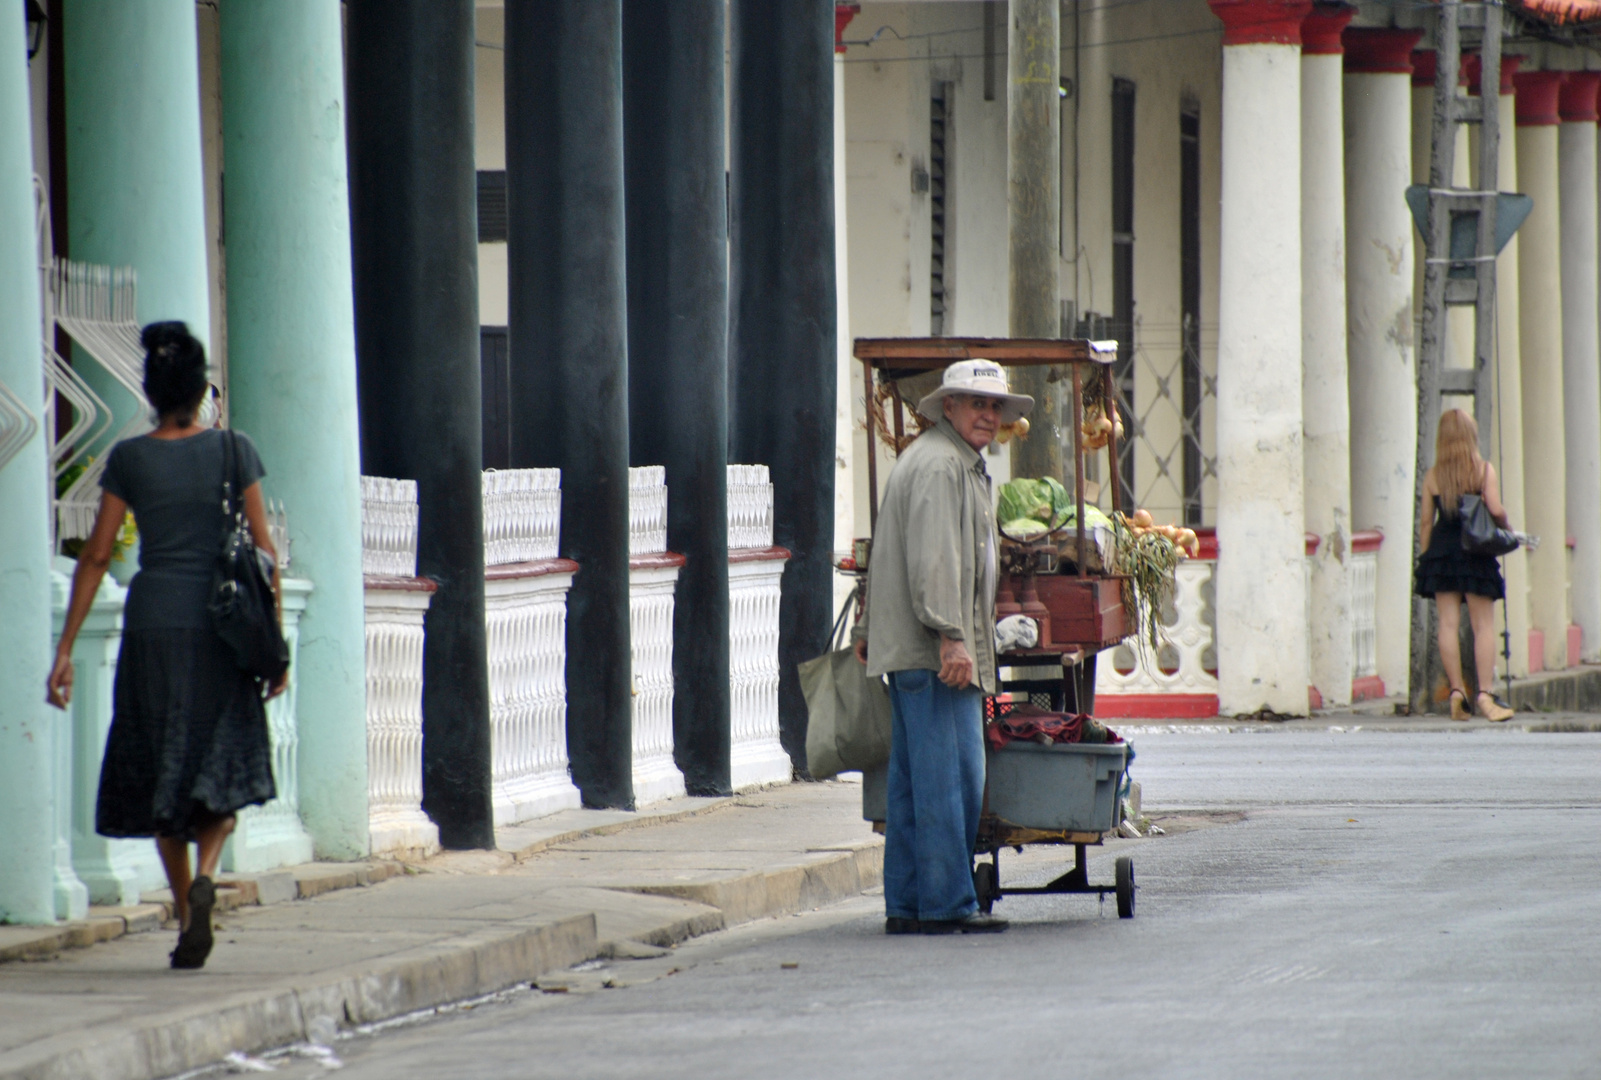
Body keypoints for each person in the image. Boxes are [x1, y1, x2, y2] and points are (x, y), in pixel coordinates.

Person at [47, 322, 286, 969]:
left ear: (149, 392)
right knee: (220, 766)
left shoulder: (130, 459)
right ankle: (207, 872)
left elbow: (97, 555)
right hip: (220, 631)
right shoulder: (236, 451)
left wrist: (65, 648)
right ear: (204, 388)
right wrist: (275, 644)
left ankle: (186, 915)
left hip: (152, 626)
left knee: (160, 769)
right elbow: (265, 553)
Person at [853, 359, 1032, 935]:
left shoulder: (953, 462)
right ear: (948, 407)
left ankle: (908, 905)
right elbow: (934, 564)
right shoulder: (939, 466)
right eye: (976, 403)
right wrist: (951, 638)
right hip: (936, 654)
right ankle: (946, 903)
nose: (988, 414)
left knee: (912, 785)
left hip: (922, 651)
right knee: (950, 780)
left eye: (994, 406)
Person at [1415, 408, 1515, 723]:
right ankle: (1484, 695)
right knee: (1482, 625)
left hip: (1443, 551)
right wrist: (1505, 526)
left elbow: (1426, 524)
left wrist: (1428, 557)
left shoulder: (1433, 476)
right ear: (1470, 436)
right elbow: (1496, 508)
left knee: (1447, 624)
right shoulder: (1483, 471)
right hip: (1475, 551)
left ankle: (1457, 691)